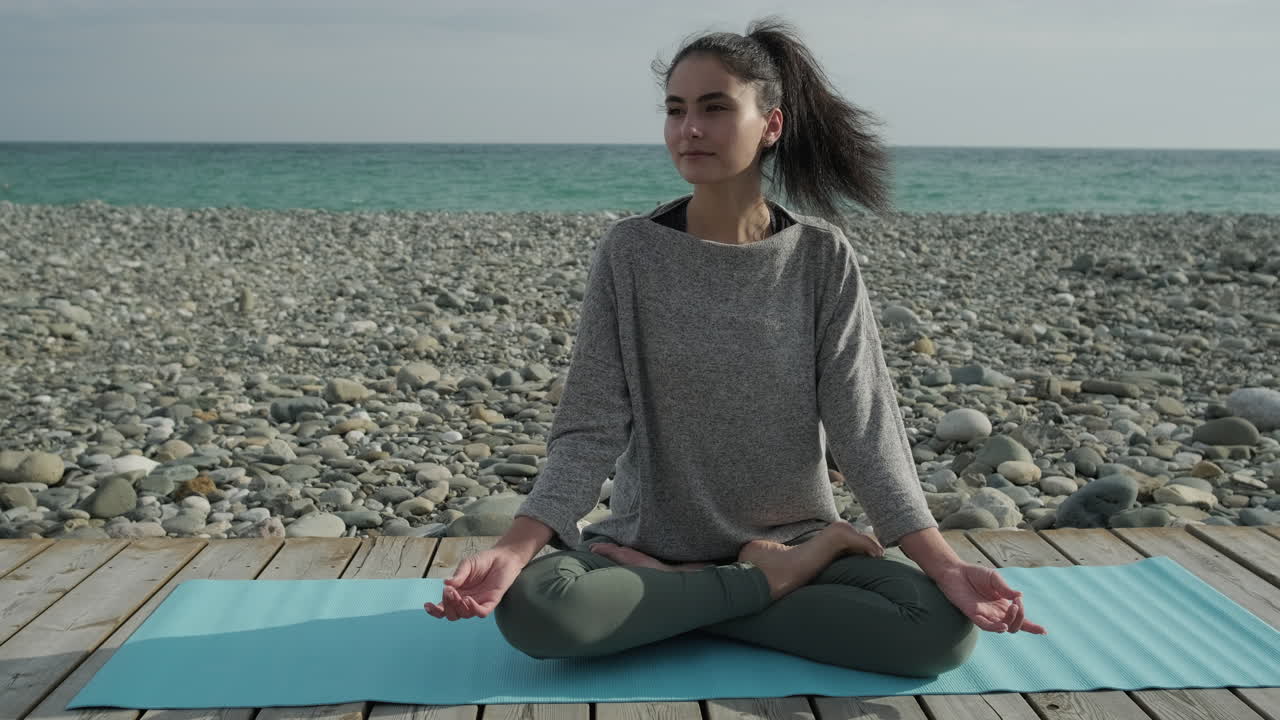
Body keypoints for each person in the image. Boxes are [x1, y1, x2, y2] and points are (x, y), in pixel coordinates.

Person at [425, 15, 1047, 678]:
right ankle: (762, 584)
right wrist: (516, 549)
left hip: (797, 542)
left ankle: (703, 599)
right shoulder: (631, 253)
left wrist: (947, 568)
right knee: (537, 609)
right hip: (648, 548)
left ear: (771, 125)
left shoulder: (819, 257)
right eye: (676, 109)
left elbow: (865, 432)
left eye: (715, 109)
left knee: (939, 634)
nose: (690, 129)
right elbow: (589, 427)